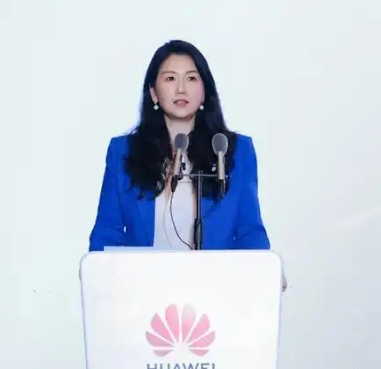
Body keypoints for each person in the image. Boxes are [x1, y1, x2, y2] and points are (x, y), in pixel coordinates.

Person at [88, 39, 271, 255]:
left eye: (191, 78)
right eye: (170, 78)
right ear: (154, 93)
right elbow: (107, 231)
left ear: (204, 90)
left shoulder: (236, 151)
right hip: (143, 276)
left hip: (216, 276)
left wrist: (262, 268)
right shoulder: (123, 152)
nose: (181, 89)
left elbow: (250, 232)